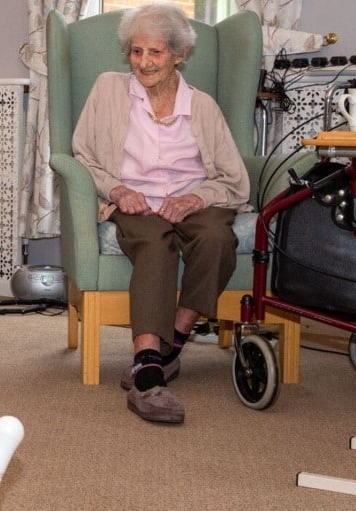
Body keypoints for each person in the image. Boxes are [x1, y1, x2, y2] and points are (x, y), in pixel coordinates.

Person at [71, 3, 250, 424]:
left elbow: (233, 177)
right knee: (155, 244)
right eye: (137, 52)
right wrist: (116, 188)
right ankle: (149, 370)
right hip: (134, 200)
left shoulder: (202, 106)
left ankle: (174, 341)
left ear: (178, 54)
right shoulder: (108, 90)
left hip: (193, 198)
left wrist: (196, 198)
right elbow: (82, 154)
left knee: (218, 238)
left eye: (155, 52)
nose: (145, 62)